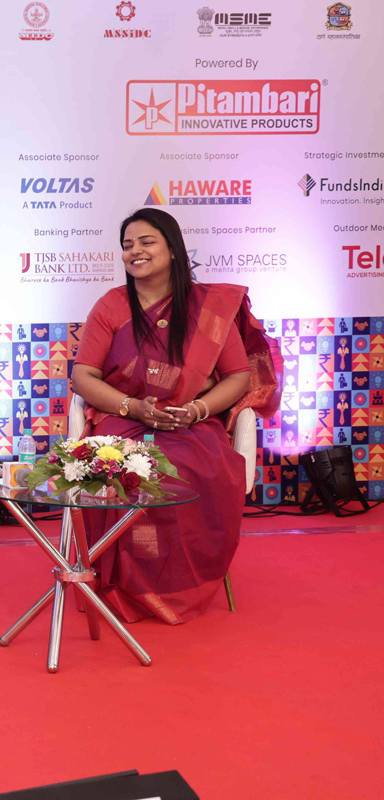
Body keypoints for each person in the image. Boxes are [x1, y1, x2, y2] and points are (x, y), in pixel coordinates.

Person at [70, 207, 281, 624]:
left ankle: (178, 584)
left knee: (191, 471)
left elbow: (238, 375)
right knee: (126, 471)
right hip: (124, 418)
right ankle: (123, 582)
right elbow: (83, 375)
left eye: (146, 242)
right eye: (127, 245)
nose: (135, 251)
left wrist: (198, 409)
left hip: (190, 422)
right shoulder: (112, 305)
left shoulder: (208, 307)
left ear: (173, 249)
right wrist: (133, 407)